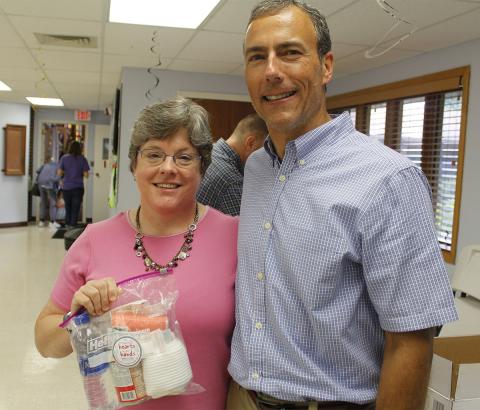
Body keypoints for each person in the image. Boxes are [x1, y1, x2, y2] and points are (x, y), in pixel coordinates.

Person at [227, 1, 458, 410]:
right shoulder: (258, 167)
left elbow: (411, 341)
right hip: (244, 398)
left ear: (326, 66)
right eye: (257, 57)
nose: (272, 70)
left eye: (290, 52)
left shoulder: (387, 180)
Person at [34, 97, 238, 410]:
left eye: (184, 157)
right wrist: (78, 319)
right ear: (133, 165)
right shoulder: (94, 240)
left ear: (202, 167)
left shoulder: (234, 236)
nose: (167, 168)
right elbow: (45, 342)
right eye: (153, 154)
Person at [197, 113, 268, 216]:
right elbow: (245, 225)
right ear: (250, 143)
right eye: (266, 151)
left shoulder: (210, 151)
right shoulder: (232, 181)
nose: (269, 158)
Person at [58, 140, 90, 229]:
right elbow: (86, 175)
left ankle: (67, 226)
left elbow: (59, 173)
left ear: (70, 148)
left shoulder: (64, 158)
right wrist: (80, 172)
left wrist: (66, 172)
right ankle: (72, 227)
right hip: (78, 188)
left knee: (68, 208)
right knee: (75, 209)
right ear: (80, 148)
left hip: (66, 187)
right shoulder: (83, 159)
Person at [36, 157, 60, 228]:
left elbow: (37, 171)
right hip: (50, 184)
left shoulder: (44, 165)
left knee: (43, 202)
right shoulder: (58, 166)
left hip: (40, 183)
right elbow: (58, 177)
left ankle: (41, 221)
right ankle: (52, 222)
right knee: (53, 203)